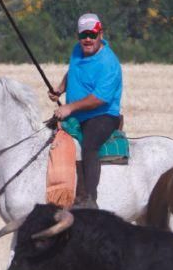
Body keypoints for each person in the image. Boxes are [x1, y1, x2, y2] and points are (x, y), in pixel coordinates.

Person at [49, 13, 123, 208]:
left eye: (92, 34)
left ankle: (90, 198)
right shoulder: (77, 50)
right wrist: (60, 88)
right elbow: (73, 70)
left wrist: (69, 107)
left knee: (89, 145)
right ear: (78, 36)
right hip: (75, 113)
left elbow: (99, 99)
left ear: (101, 34)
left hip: (102, 115)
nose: (88, 39)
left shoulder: (109, 63)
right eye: (83, 35)